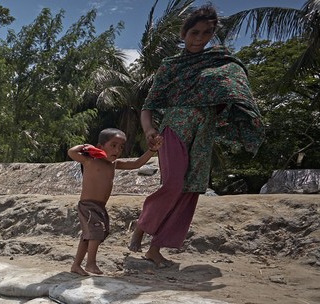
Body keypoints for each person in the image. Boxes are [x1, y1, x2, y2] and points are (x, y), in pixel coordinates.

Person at [128, 4, 263, 267]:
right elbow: (149, 105)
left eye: (206, 33)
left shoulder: (221, 62)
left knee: (190, 191)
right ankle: (141, 227)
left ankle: (154, 250)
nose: (199, 38)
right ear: (184, 33)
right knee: (174, 184)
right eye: (194, 32)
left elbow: (237, 87)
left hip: (203, 134)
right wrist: (149, 130)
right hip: (174, 129)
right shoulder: (170, 66)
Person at [68, 129, 159, 276]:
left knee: (89, 236)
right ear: (100, 146)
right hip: (88, 205)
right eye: (114, 145)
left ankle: (76, 265)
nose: (117, 150)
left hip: (100, 207)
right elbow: (71, 152)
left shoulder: (114, 164)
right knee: (95, 232)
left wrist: (152, 150)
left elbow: (137, 164)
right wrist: (86, 147)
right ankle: (90, 264)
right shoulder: (90, 160)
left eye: (121, 147)